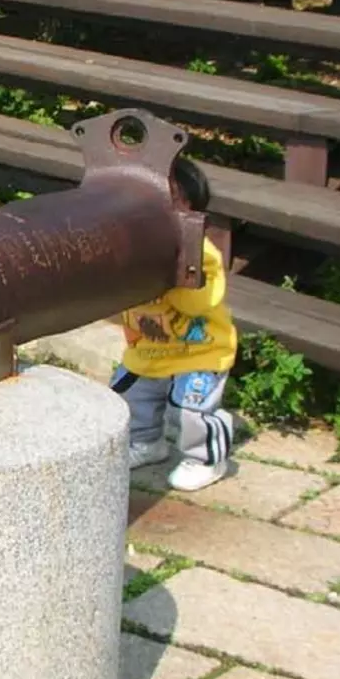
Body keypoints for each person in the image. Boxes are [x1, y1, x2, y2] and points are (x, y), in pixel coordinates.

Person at [113, 158, 237, 492]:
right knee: (130, 397)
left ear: (191, 212)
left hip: (199, 350)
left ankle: (207, 459)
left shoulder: (203, 255)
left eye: (171, 202)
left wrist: (170, 271)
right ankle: (145, 443)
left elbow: (196, 304)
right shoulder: (132, 245)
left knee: (190, 408)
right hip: (149, 348)